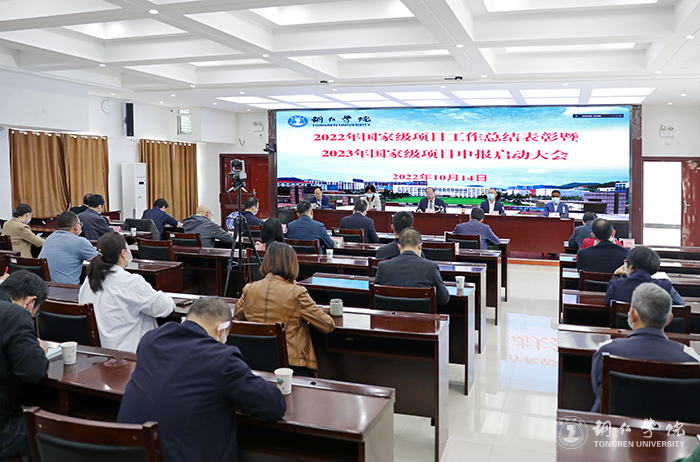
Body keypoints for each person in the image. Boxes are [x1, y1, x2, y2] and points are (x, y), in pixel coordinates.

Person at [117, 297, 286, 462]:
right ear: (221, 330)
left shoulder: (151, 339)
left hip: (127, 452)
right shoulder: (222, 358)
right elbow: (274, 405)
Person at [590, 283, 700, 413]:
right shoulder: (691, 359)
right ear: (669, 319)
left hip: (614, 425)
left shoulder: (606, 351)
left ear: (632, 314)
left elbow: (599, 391)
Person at [234, 242, 335, 376]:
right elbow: (328, 325)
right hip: (291, 364)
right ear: (291, 264)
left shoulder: (249, 289)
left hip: (255, 363)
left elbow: (237, 318)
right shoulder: (296, 293)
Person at [78, 232, 175, 352]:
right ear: (123, 253)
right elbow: (163, 307)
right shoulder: (129, 281)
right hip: (129, 352)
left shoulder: (89, 280)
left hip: (101, 351)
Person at [0, 271, 49, 462]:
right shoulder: (15, 314)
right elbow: (33, 372)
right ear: (30, 302)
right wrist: (39, 348)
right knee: (55, 432)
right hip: (4, 432)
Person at [374, 228, 450, 305]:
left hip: (390, 312)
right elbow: (444, 299)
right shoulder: (431, 267)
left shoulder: (383, 267)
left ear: (399, 247)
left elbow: (375, 295)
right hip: (420, 312)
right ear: (420, 247)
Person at [606, 245, 686, 306]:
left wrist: (616, 275)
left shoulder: (616, 285)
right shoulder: (665, 286)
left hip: (625, 323)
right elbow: (681, 305)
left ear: (630, 266)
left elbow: (608, 298)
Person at [38, 211, 97, 284]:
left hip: (45, 286)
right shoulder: (80, 242)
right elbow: (100, 261)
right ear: (76, 226)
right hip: (67, 288)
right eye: (80, 224)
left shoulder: (49, 238)